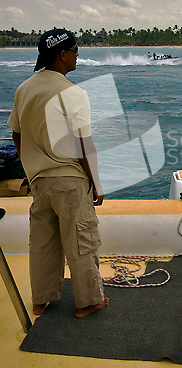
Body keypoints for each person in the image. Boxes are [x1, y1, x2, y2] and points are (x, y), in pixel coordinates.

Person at [7, 28, 109, 318]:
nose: (78, 55)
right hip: (70, 180)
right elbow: (84, 143)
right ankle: (88, 302)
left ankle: (41, 300)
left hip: (39, 181)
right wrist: (96, 183)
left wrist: (31, 167)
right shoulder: (73, 93)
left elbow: (17, 134)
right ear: (62, 54)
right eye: (75, 50)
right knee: (81, 240)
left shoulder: (24, 89)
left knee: (42, 242)